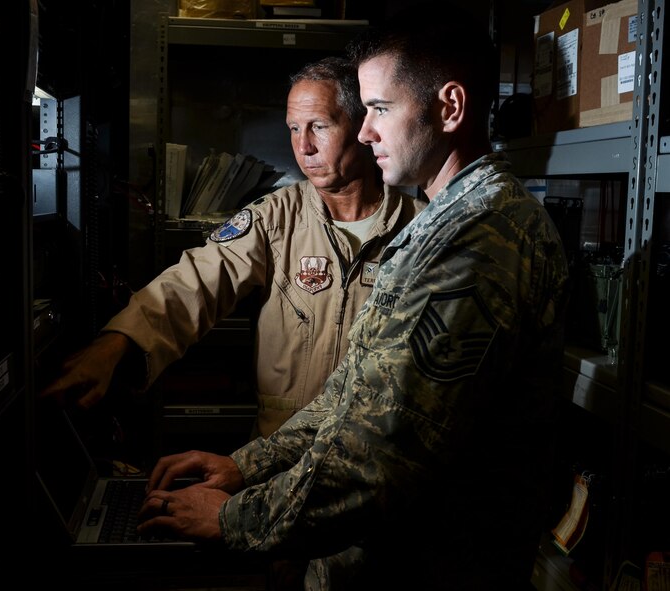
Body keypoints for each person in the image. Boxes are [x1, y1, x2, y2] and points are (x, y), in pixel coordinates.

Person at [136, 5, 571, 590]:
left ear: (450, 108)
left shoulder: (479, 237)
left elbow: (382, 453)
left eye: (380, 110)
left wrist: (233, 518)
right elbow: (355, 394)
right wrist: (247, 465)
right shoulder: (443, 224)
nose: (366, 133)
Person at [42, 56, 421, 438]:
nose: (303, 146)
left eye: (319, 126)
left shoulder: (422, 227)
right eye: (293, 128)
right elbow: (196, 281)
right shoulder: (275, 218)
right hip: (280, 452)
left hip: (376, 451)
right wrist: (120, 340)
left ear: (362, 126)